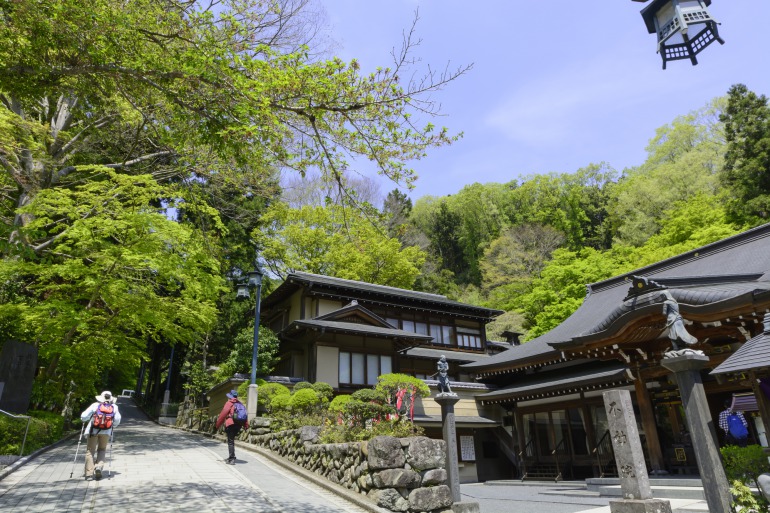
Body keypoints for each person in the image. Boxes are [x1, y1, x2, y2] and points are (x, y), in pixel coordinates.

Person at [80, 390, 121, 480]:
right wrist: (112, 425)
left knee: (90, 451)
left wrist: (84, 420)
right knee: (102, 450)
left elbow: (84, 416)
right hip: (106, 431)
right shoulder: (114, 407)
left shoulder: (95, 405)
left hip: (93, 431)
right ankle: (99, 467)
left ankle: (89, 474)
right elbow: (117, 419)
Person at [216, 389, 249, 464]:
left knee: (230, 442)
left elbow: (223, 415)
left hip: (231, 424)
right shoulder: (240, 404)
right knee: (232, 441)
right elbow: (245, 415)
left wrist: (217, 425)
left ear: (230, 397)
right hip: (238, 425)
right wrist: (246, 425)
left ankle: (232, 459)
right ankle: (232, 457)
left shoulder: (229, 403)